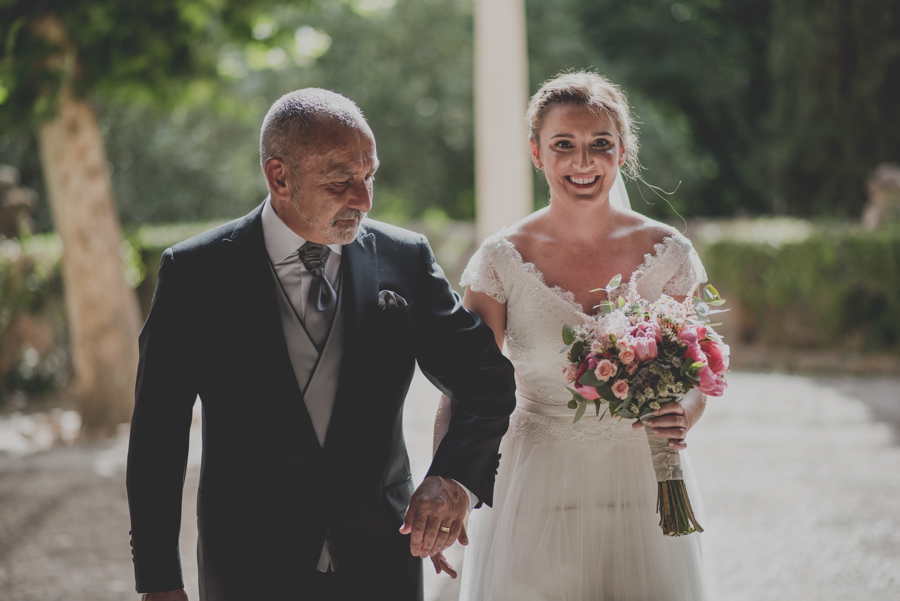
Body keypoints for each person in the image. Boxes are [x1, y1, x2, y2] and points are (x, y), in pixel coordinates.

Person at [125, 88, 517, 601]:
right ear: (279, 176)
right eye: (341, 181)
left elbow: (486, 379)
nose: (363, 198)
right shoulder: (196, 273)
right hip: (247, 565)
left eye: (369, 175)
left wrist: (453, 478)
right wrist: (158, 582)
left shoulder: (405, 259)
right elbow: (158, 435)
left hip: (382, 561)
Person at [434, 71, 717, 600]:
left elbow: (698, 371)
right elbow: (463, 384)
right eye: (563, 145)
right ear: (537, 153)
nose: (582, 162)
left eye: (599, 145)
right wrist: (447, 481)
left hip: (643, 482)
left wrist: (688, 410)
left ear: (622, 151)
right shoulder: (502, 260)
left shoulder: (670, 252)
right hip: (532, 483)